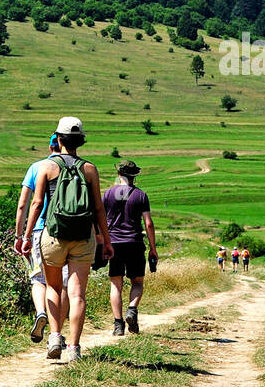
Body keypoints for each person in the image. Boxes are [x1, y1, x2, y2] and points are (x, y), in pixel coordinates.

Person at [22, 117, 112, 362]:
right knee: (77, 294)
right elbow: (98, 208)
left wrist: (26, 236)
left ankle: (54, 337)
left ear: (58, 139)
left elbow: (37, 203)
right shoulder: (90, 169)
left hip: (53, 236)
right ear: (80, 142)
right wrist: (106, 239)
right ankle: (74, 348)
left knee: (52, 287)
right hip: (83, 237)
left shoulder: (47, 168)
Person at [13, 134, 67, 347]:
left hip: (37, 231)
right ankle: (57, 333)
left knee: (38, 279)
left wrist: (20, 236)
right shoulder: (71, 167)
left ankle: (41, 312)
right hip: (64, 232)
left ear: (49, 146)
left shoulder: (36, 167)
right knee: (61, 285)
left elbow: (23, 204)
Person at [103, 159, 157, 336]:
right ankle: (132, 310)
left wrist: (102, 242)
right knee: (137, 282)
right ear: (135, 176)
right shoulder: (140, 195)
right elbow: (148, 224)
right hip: (134, 242)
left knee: (115, 284)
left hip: (114, 243)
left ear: (119, 174)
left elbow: (99, 220)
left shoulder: (108, 194)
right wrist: (153, 248)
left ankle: (118, 326)